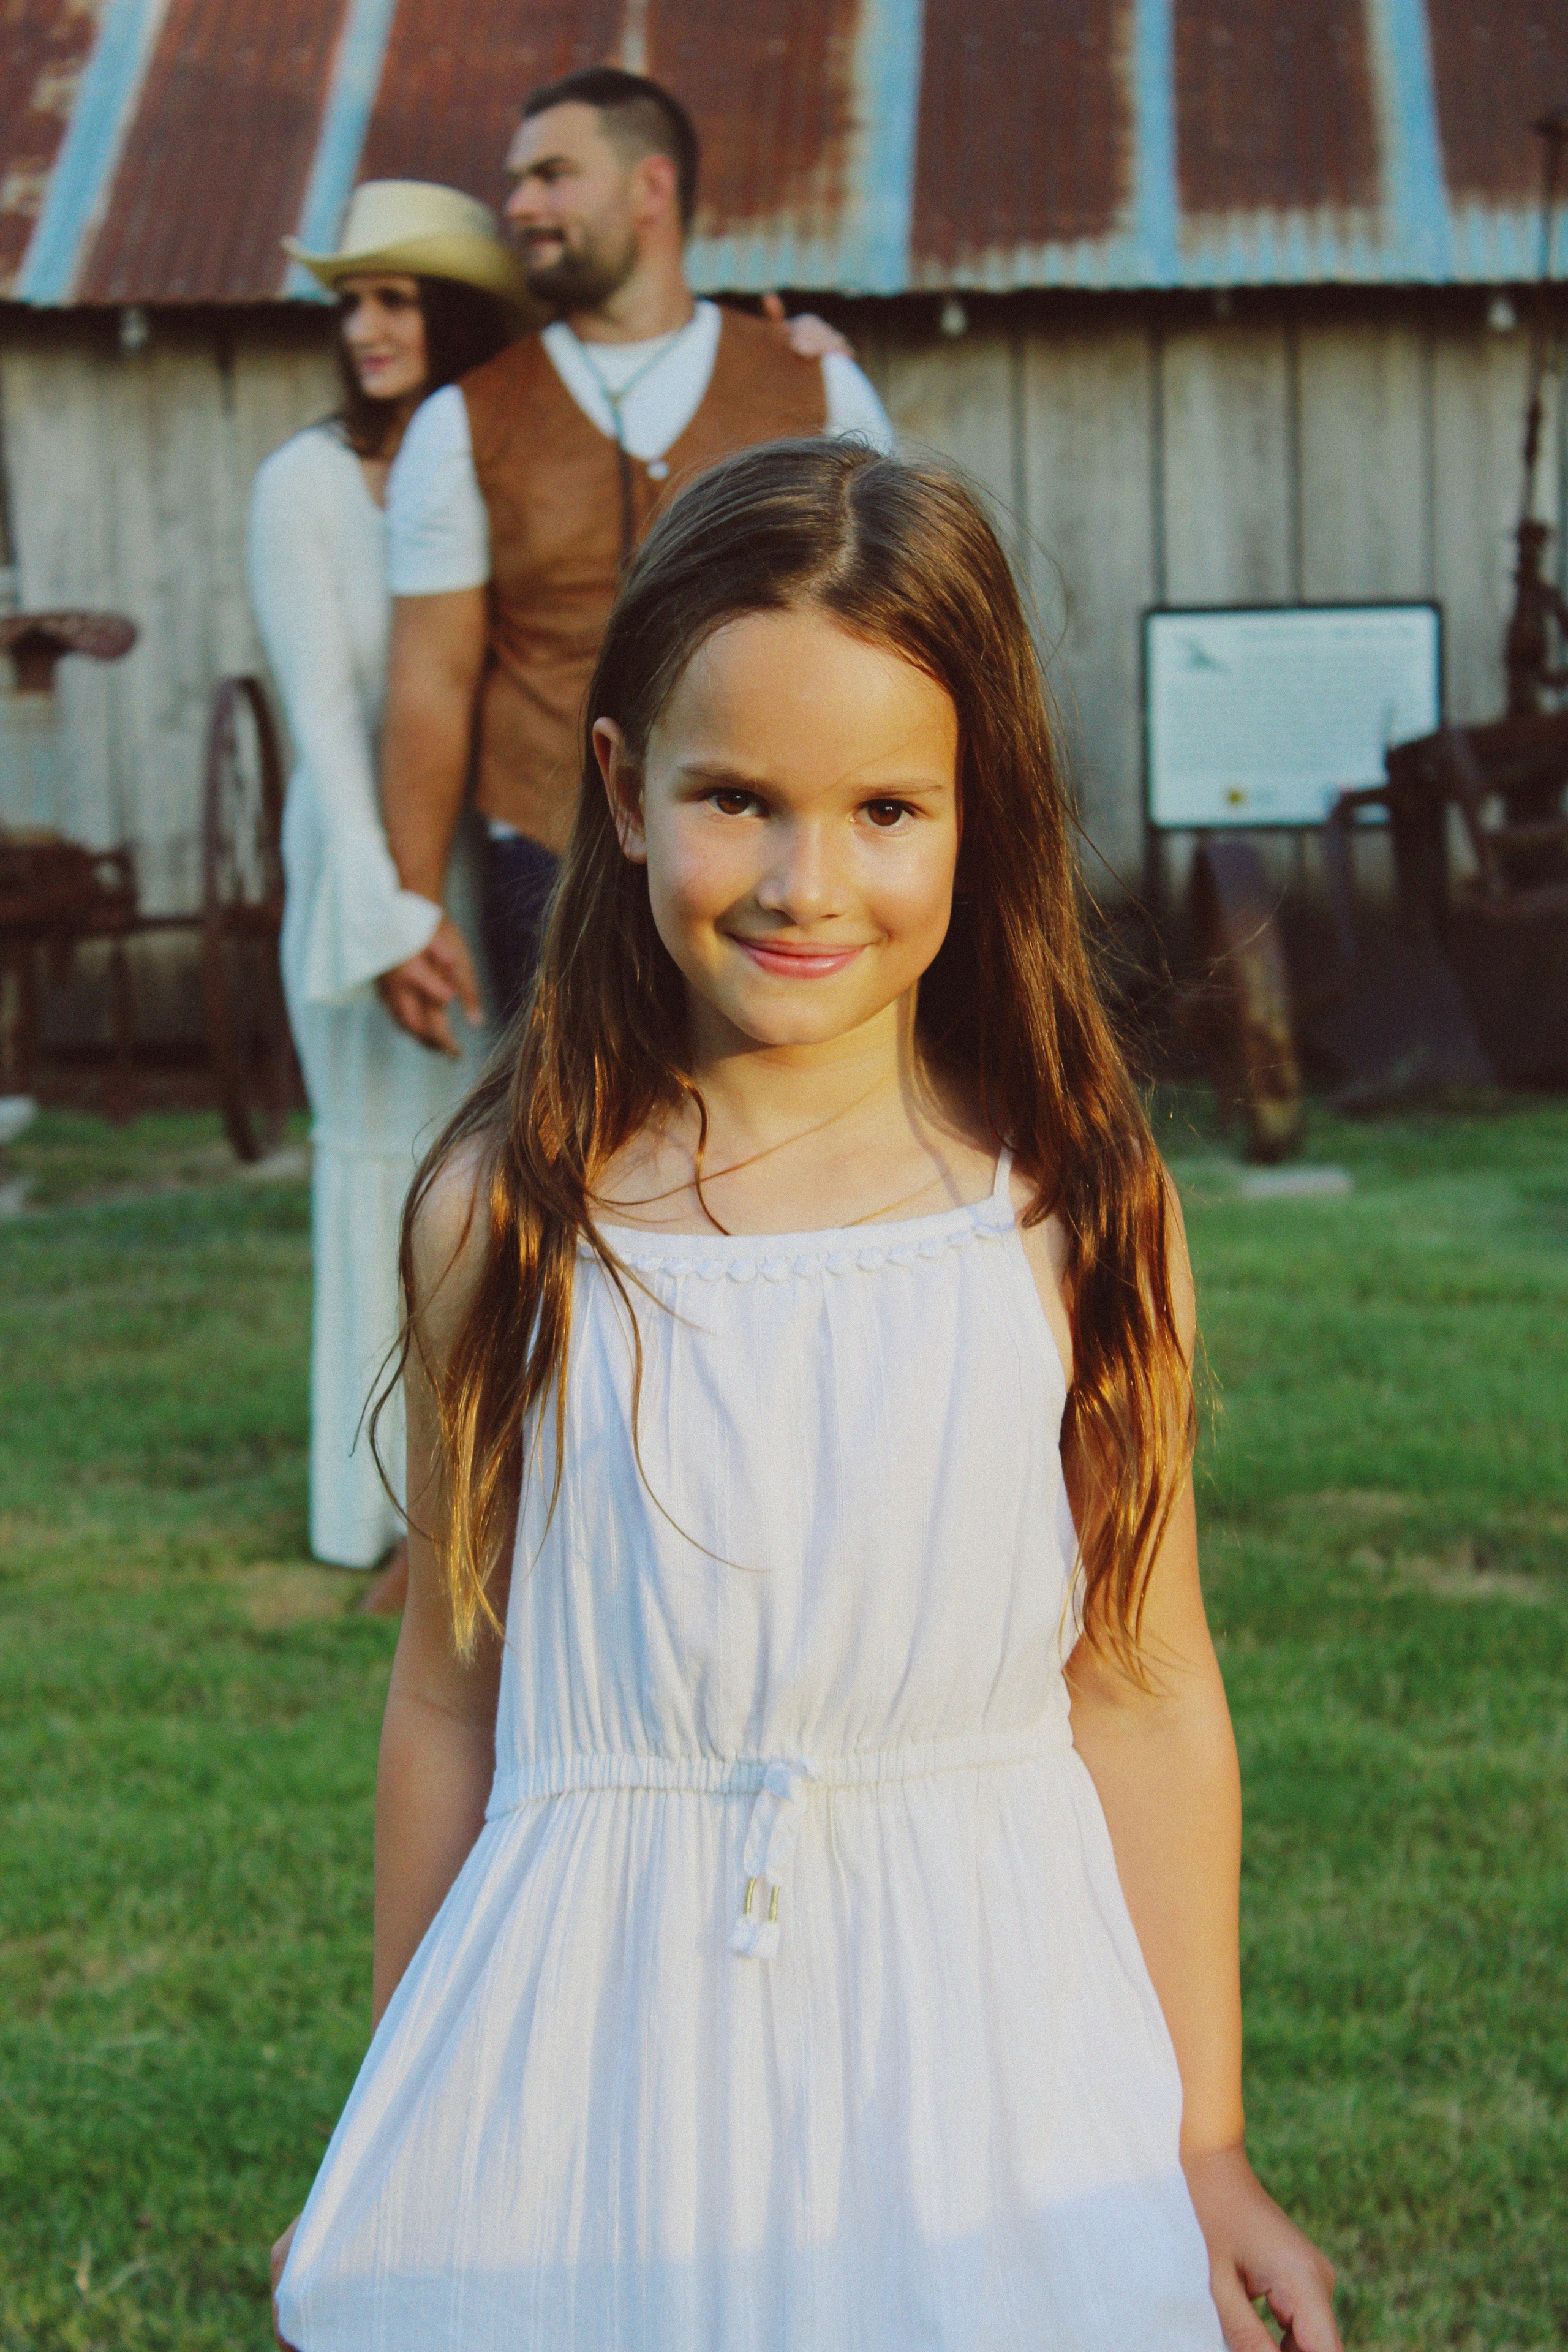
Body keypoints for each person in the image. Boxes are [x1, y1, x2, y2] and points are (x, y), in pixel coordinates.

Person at [271, 440, 1341, 2351]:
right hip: (595, 2076)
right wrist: (408, 2104)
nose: (804, 881)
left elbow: (1151, 1690)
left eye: (885, 811)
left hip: (986, 2077)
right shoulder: (501, 1221)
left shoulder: (1078, 1214)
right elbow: (448, 1690)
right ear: (620, 790)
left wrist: (1205, 2145)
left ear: (976, 816)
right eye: (738, 799)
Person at [377, 66, 895, 1031]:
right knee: (565, 1164)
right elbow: (430, 680)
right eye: (516, 180)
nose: (520, 204)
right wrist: (409, 900)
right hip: (546, 861)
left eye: (552, 174)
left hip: (774, 857)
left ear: (650, 188)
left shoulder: (818, 391)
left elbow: (886, 638)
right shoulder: (466, 418)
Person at [249, 183, 521, 1606]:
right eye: (350, 302)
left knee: (487, 1177)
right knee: (380, 1168)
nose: (365, 328)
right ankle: (371, 1516)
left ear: (457, 316)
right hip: (360, 862)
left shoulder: (491, 455)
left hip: (491, 861)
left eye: (396, 300)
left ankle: (488, 1489)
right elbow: (325, 712)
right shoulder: (302, 485)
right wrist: (389, 919)